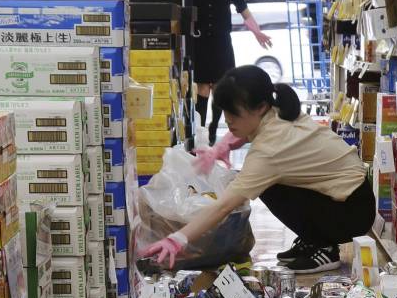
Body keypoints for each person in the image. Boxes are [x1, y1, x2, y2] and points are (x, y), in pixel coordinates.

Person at [141, 65, 376, 274]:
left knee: (261, 184)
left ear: (260, 106)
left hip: (351, 212)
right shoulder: (279, 110)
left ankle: (325, 246)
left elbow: (224, 206)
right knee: (260, 181)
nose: (228, 120)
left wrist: (177, 239)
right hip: (353, 197)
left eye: (234, 114)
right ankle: (314, 239)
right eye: (225, 112)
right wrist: (219, 148)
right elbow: (243, 132)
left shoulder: (270, 149)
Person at [191, 0, 273, 145]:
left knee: (220, 87)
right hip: (199, 42)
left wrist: (257, 31)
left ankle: (212, 129)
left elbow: (241, 6)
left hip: (221, 42)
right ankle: (199, 130)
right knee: (202, 88)